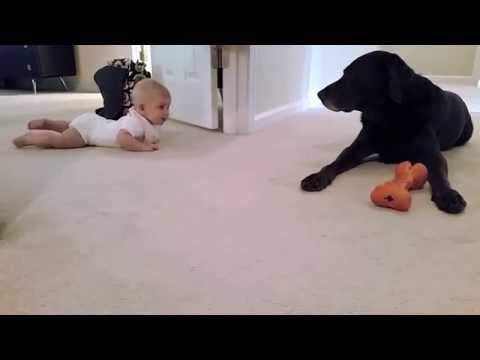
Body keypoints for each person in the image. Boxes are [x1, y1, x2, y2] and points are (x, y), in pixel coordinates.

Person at [13, 79, 171, 152]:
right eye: (161, 107)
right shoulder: (135, 123)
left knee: (71, 126)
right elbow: (123, 139)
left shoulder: (143, 120)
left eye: (168, 107)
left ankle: (49, 123)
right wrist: (142, 147)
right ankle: (29, 138)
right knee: (61, 141)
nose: (166, 112)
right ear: (141, 108)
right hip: (88, 133)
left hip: (93, 121)